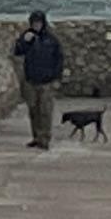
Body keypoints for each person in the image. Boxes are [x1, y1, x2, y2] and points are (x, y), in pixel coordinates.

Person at [16, 10, 66, 150]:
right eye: (34, 23)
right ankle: (36, 136)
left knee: (45, 111)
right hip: (31, 80)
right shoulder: (27, 36)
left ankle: (45, 138)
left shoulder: (51, 39)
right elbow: (17, 51)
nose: (36, 25)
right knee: (33, 110)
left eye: (38, 23)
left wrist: (57, 78)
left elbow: (59, 59)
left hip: (47, 81)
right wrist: (24, 42)